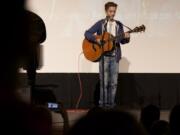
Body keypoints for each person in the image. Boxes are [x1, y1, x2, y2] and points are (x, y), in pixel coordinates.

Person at [84, 2, 130, 108]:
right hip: (103, 56)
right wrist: (97, 39)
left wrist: (126, 37)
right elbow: (87, 33)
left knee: (113, 83)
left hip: (114, 57)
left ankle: (111, 105)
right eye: (110, 11)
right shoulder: (101, 23)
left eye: (114, 11)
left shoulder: (119, 24)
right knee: (104, 83)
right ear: (106, 11)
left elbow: (122, 41)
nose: (113, 14)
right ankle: (102, 105)